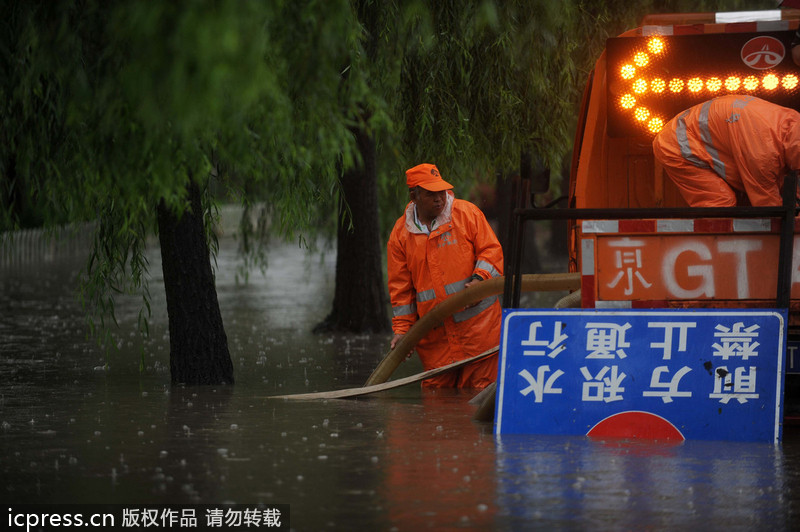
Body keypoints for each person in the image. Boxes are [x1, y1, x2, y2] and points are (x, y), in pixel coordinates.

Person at [387, 163, 503, 389]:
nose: (439, 198)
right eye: (431, 194)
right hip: (436, 341)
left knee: (482, 395)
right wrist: (402, 331)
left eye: (441, 191)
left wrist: (480, 281)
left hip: (480, 333)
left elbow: (491, 252)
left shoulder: (467, 214)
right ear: (414, 195)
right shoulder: (400, 235)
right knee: (437, 401)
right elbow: (401, 291)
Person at [652, 95, 800, 207]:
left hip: (695, 134)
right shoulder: (764, 154)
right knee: (720, 202)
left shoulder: (791, 121)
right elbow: (768, 205)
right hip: (676, 144)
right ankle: (714, 246)